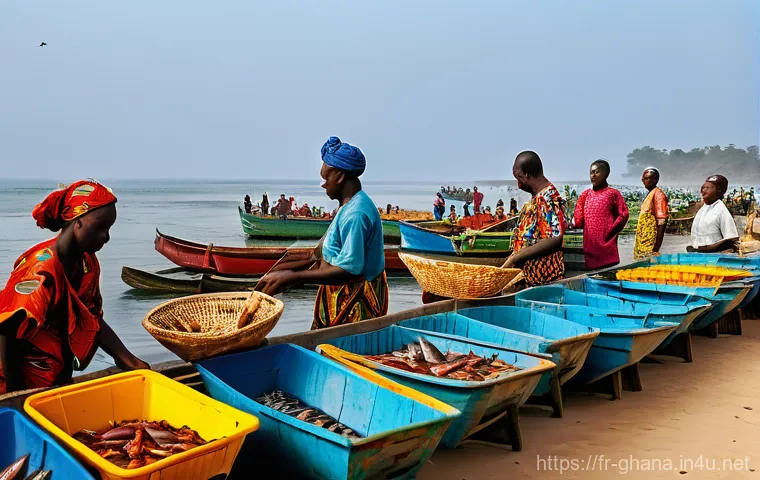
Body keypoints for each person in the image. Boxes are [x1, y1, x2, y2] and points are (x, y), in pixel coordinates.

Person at [0, 180, 148, 394]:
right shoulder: (41, 270)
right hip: (18, 383)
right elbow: (7, 330)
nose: (106, 237)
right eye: (100, 228)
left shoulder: (88, 264)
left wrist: (130, 361)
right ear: (77, 221)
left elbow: (92, 318)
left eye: (108, 229)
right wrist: (16, 394)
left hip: (56, 378)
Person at [256, 136, 387, 329]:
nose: (323, 184)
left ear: (340, 176)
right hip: (335, 299)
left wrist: (294, 278)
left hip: (354, 305)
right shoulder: (346, 206)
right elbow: (319, 253)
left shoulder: (356, 214)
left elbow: (350, 269)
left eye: (326, 178)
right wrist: (279, 271)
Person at [503, 151, 568, 286]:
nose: (518, 184)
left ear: (527, 175)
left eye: (519, 177)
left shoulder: (547, 198)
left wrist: (516, 258)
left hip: (544, 282)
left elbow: (554, 238)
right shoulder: (538, 197)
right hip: (532, 279)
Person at [573, 160, 629, 270]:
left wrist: (611, 231)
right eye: (591, 172)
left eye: (596, 172)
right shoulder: (585, 195)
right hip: (590, 247)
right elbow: (578, 220)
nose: (593, 176)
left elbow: (623, 214)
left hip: (608, 245)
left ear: (606, 174)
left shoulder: (613, 194)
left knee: (609, 275)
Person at [688, 175, 739, 253]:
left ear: (719, 191)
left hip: (713, 259)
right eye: (703, 187)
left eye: (708, 188)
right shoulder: (703, 209)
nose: (703, 190)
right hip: (699, 258)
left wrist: (708, 249)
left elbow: (731, 240)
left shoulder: (721, 210)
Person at [633, 167, 669, 259]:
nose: (647, 181)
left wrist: (656, 249)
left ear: (656, 180)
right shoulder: (650, 194)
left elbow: (662, 222)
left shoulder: (658, 195)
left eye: (651, 178)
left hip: (650, 245)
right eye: (645, 179)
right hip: (643, 243)